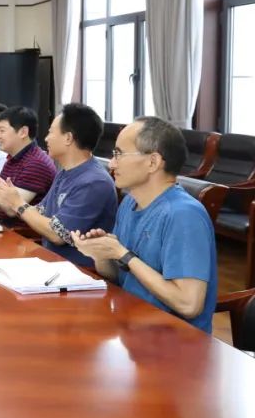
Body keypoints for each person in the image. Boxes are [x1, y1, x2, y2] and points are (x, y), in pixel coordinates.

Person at [73, 117, 217, 333]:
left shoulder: (183, 214)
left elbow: (189, 304)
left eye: (119, 154)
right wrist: (101, 254)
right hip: (131, 325)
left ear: (153, 162)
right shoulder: (130, 202)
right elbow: (119, 276)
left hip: (175, 341)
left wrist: (124, 255)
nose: (112, 164)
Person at [0, 103, 117, 266]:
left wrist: (18, 203)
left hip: (74, 269)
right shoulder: (65, 172)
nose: (46, 138)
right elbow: (40, 211)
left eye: (51, 132)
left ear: (68, 138)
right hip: (48, 260)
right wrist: (7, 198)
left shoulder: (94, 182)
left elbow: (58, 234)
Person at [0, 105, 55, 210]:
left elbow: (12, 209)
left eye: (2, 131)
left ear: (23, 132)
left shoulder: (36, 164)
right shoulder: (12, 157)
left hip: (9, 221)